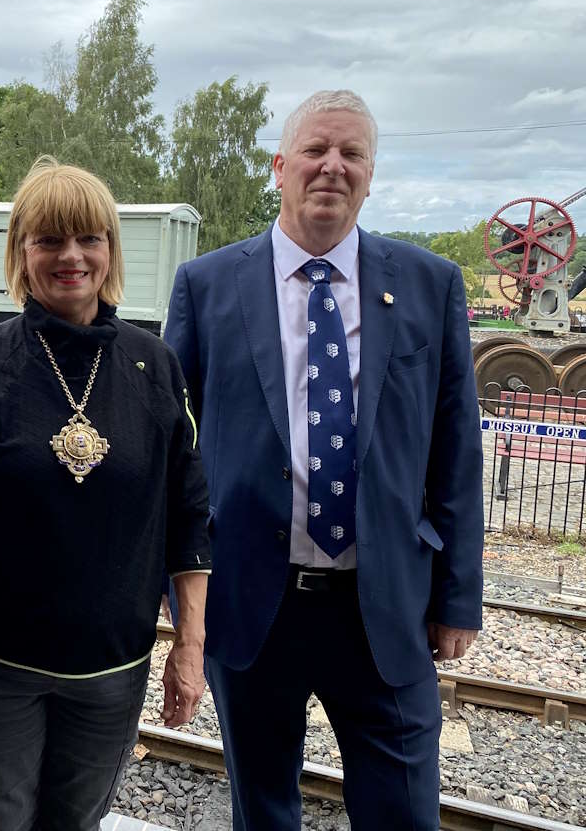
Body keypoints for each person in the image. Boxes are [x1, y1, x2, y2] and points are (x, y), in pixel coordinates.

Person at [164, 90, 482, 830]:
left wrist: (459, 594)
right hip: (251, 602)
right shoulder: (207, 285)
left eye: (352, 154)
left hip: (385, 606)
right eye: (315, 150)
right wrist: (180, 598)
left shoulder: (431, 285)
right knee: (264, 812)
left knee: (405, 813)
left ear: (372, 175)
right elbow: (173, 450)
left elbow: (455, 447)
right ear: (280, 166)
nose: (332, 166)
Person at [0, 157, 211, 831]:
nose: (70, 255)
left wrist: (189, 645)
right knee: (2, 821)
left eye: (88, 238)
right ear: (22, 251)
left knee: (78, 823)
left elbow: (190, 513)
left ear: (111, 248)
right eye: (49, 239)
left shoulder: (153, 365)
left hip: (113, 669)